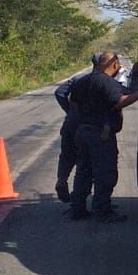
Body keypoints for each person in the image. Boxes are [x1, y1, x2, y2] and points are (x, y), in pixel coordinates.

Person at [66, 52, 138, 222]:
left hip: (82, 131)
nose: (118, 68)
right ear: (113, 65)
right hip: (100, 134)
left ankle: (78, 209)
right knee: (105, 173)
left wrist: (88, 111)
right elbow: (120, 101)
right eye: (117, 66)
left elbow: (72, 102)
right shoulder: (107, 82)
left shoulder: (81, 81)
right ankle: (102, 211)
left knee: (84, 171)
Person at [53, 52, 102, 202]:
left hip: (71, 124)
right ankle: (81, 196)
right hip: (89, 126)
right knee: (86, 161)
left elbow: (60, 92)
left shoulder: (78, 79)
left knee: (67, 155)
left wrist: (70, 110)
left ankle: (62, 181)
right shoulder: (101, 81)